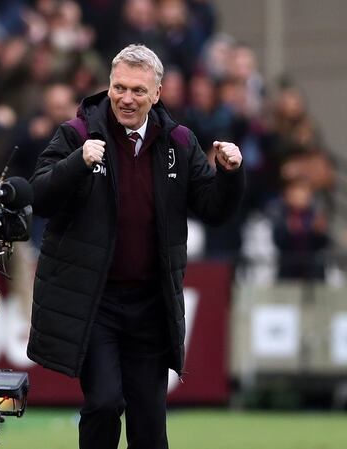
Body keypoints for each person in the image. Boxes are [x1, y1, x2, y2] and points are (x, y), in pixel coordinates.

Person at [26, 44, 245, 449]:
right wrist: (77, 162)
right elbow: (38, 198)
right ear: (108, 87)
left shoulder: (179, 141)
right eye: (119, 88)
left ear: (157, 94)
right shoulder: (76, 134)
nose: (127, 98)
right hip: (97, 301)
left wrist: (229, 174)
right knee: (106, 403)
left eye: (138, 91)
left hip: (150, 304)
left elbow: (213, 209)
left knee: (149, 423)